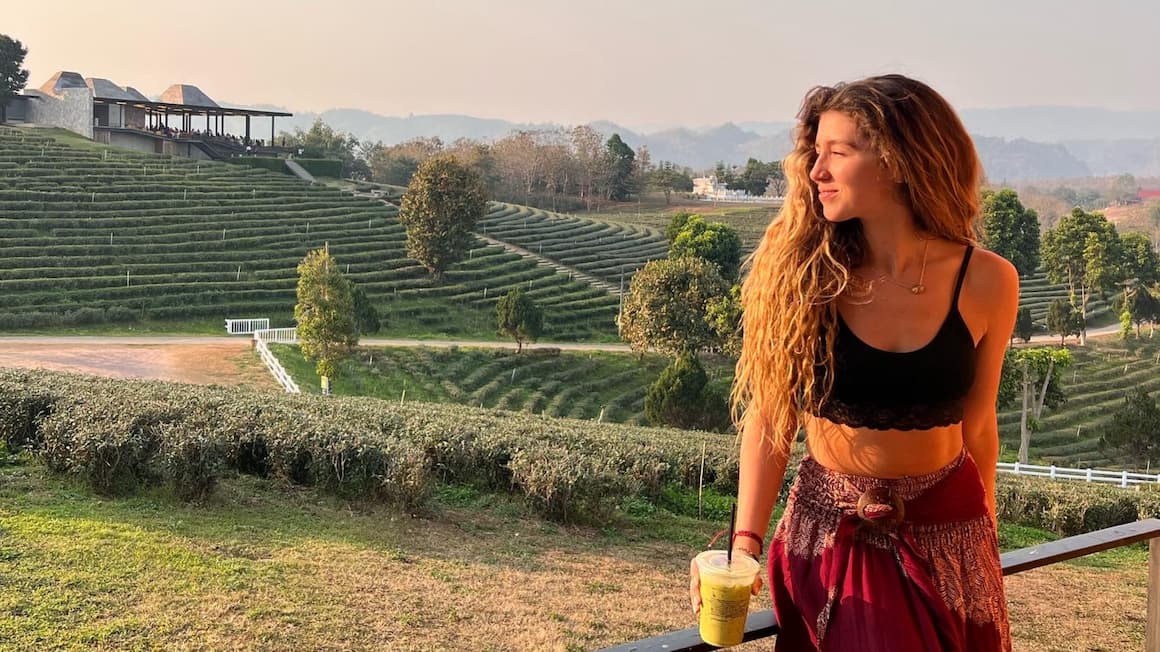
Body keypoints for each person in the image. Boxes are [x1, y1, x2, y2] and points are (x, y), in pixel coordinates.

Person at [688, 74, 1017, 651]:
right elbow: (770, 420)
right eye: (815, 153)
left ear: (900, 160)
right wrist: (744, 543)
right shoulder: (799, 276)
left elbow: (980, 425)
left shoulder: (988, 279)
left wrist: (982, 538)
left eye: (838, 152)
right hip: (832, 533)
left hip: (953, 534)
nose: (816, 171)